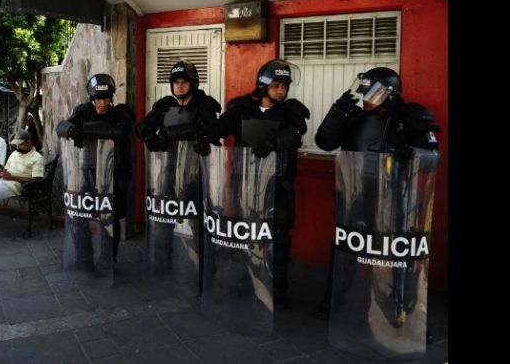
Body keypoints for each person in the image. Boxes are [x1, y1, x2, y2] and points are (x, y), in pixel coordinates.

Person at [313, 67, 440, 344]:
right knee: (345, 249)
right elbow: (324, 142)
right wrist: (337, 112)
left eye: (374, 92)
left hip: (394, 198)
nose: (367, 98)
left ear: (390, 94)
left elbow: (433, 154)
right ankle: (335, 301)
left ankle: (404, 313)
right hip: (356, 194)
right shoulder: (355, 117)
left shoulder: (410, 116)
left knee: (397, 258)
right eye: (365, 92)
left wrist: (412, 153)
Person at [217, 59, 309, 309]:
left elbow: (297, 134)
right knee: (244, 235)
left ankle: (277, 290)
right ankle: (244, 282)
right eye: (277, 85)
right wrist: (206, 135)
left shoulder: (290, 112)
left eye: (285, 86)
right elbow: (219, 129)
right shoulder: (242, 109)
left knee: (277, 238)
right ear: (263, 85)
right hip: (246, 185)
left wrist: (274, 142)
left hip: (279, 186)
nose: (282, 91)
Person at [135, 60, 220, 282]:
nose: (180, 86)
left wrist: (169, 133)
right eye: (176, 82)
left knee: (197, 223)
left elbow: (209, 129)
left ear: (193, 84)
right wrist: (148, 136)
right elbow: (142, 126)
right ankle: (162, 265)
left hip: (195, 175)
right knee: (164, 220)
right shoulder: (165, 105)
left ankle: (204, 271)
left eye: (184, 82)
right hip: (167, 172)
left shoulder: (205, 105)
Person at [56, 73, 134, 262]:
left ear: (111, 97)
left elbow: (121, 133)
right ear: (92, 98)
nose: (102, 102)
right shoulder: (83, 111)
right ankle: (84, 257)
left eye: (105, 98)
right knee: (81, 216)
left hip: (114, 173)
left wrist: (85, 131)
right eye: (98, 98)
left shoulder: (120, 112)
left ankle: (108, 256)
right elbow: (61, 126)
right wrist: (72, 130)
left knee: (110, 218)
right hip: (88, 171)